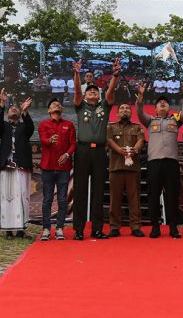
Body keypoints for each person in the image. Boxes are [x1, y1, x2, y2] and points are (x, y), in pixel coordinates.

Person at [71, 58, 120, 240]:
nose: (92, 92)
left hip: (100, 151)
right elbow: (77, 90)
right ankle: (78, 230)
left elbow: (111, 90)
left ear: (99, 95)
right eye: (89, 91)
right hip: (82, 151)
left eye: (95, 91)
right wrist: (77, 73)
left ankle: (97, 229)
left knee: (99, 191)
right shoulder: (80, 105)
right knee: (80, 191)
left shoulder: (104, 107)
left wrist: (115, 75)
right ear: (85, 95)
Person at [136, 79, 183, 238]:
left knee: (172, 195)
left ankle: (173, 228)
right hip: (154, 163)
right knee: (153, 195)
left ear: (168, 107)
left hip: (172, 162)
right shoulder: (150, 121)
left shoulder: (175, 119)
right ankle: (155, 227)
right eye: (160, 103)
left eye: (165, 103)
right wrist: (140, 97)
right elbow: (139, 113)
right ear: (155, 108)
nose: (163, 104)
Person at [0, 88, 35, 239]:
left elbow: (31, 128)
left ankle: (21, 230)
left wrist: (25, 112)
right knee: (7, 196)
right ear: (7, 114)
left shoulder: (24, 127)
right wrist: (2, 103)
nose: (13, 109)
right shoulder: (3, 127)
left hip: (21, 165)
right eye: (11, 108)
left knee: (23, 196)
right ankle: (8, 230)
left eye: (16, 108)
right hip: (7, 166)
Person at [37, 98, 76, 241]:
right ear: (49, 110)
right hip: (47, 167)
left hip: (63, 168)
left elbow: (73, 144)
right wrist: (49, 140)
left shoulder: (69, 125)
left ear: (62, 109)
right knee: (47, 199)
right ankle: (46, 229)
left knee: (62, 199)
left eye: (59, 105)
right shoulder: (43, 124)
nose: (57, 106)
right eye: (53, 105)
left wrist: (67, 154)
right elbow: (43, 139)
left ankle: (60, 228)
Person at [106, 103, 146, 238]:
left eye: (127, 109)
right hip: (116, 167)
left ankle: (135, 226)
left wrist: (135, 149)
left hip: (132, 169)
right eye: (122, 108)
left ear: (131, 112)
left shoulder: (137, 127)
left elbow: (141, 140)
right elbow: (109, 140)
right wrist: (118, 149)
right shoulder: (111, 127)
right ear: (117, 113)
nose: (125, 110)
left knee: (134, 200)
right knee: (115, 200)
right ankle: (114, 227)